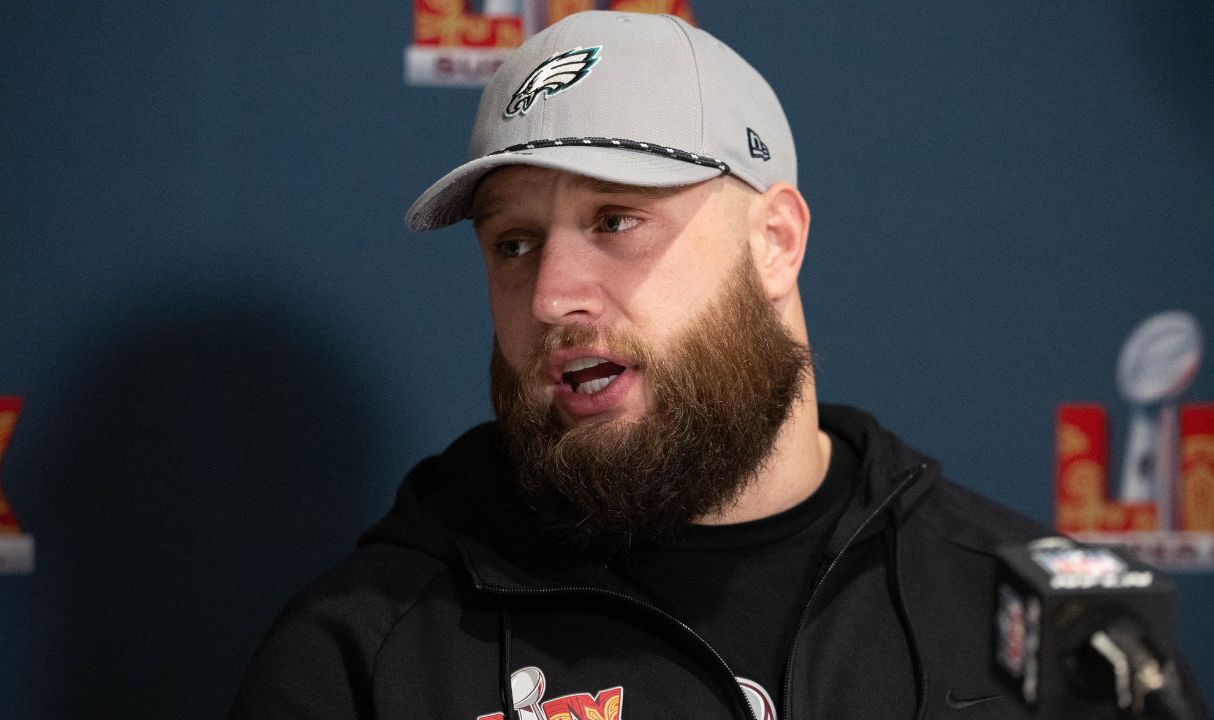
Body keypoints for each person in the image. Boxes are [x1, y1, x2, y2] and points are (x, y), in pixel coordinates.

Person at [230, 11, 1202, 720]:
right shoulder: (364, 654)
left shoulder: (1056, 624)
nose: (552, 294)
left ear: (774, 241)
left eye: (615, 220)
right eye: (513, 243)